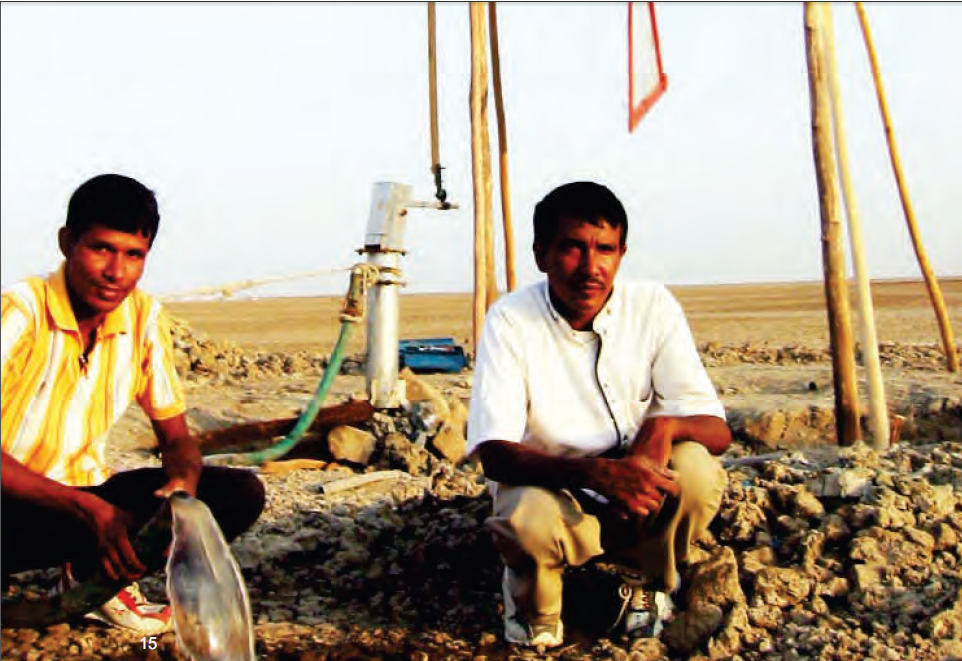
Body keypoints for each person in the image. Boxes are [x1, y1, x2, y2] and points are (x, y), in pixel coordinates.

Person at [466, 181, 732, 650]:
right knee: (526, 520)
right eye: (572, 248)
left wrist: (662, 427)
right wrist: (599, 474)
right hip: (552, 486)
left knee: (696, 472)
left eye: (605, 249)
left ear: (622, 253)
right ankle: (535, 608)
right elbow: (495, 455)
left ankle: (642, 579)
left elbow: (716, 429)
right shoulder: (510, 320)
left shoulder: (652, 307)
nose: (592, 268)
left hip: (635, 489)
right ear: (541, 253)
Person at [1, 174, 266, 634]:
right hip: (12, 505)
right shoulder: (21, 312)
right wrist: (87, 510)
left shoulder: (143, 318)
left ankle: (90, 583)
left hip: (79, 507)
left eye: (133, 255)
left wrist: (181, 487)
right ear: (67, 243)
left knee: (237, 493)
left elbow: (177, 436)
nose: (115, 272)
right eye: (100, 248)